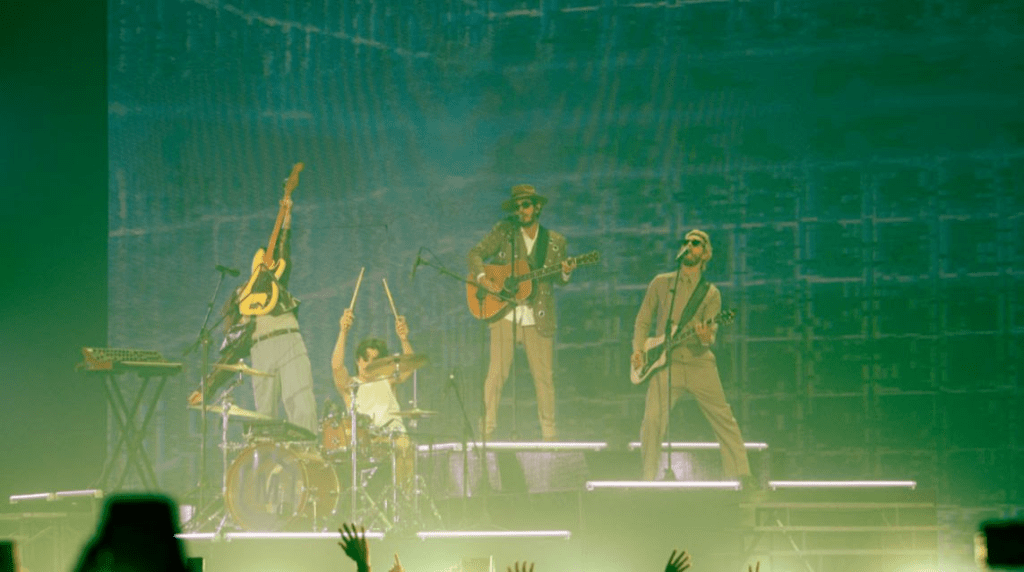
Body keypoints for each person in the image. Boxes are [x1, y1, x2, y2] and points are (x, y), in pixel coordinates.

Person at [632, 229, 753, 486]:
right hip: (667, 363)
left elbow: (710, 337)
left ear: (705, 254)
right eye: (686, 242)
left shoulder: (710, 294)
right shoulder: (661, 283)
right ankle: (648, 479)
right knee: (652, 419)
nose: (689, 246)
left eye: (695, 243)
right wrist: (638, 350)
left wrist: (704, 335)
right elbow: (643, 319)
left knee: (723, 417)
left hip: (699, 363)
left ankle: (742, 475)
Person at [468, 184, 575, 441]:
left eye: (526, 205)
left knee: (544, 377)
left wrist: (565, 272)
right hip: (504, 311)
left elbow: (559, 279)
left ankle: (549, 433)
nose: (521, 210)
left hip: (538, 315)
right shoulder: (504, 231)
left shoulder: (556, 241)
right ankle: (486, 429)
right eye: (517, 207)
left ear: (537, 207)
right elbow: (475, 254)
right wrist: (482, 278)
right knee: (496, 373)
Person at [218, 196, 318, 434]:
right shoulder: (241, 295)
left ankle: (307, 452)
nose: (266, 264)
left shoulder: (276, 284)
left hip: (288, 340)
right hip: (260, 348)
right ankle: (266, 455)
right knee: (264, 415)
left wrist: (286, 218)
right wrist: (205, 388)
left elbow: (283, 251)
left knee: (302, 406)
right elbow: (231, 352)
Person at [331, 307, 415, 491]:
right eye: (365, 358)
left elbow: (409, 365)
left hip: (394, 438)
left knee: (405, 445)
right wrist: (343, 331)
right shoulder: (351, 386)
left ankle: (404, 496)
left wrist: (404, 339)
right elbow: (337, 367)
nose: (368, 363)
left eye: (374, 359)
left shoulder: (388, 379)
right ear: (358, 360)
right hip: (367, 443)